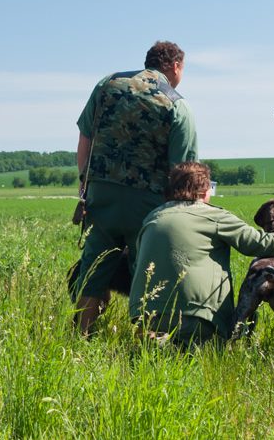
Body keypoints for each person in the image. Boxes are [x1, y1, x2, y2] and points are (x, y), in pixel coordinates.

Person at [73, 41, 198, 335]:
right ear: (176, 66)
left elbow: (84, 137)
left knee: (93, 267)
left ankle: (81, 335)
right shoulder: (177, 103)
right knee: (147, 271)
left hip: (100, 193)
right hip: (148, 202)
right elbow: (184, 171)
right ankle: (142, 343)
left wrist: (84, 185)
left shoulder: (108, 84)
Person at [128, 162, 274, 349]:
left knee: (165, 346)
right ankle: (180, 344)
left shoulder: (152, 217)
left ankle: (158, 341)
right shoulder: (214, 216)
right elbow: (254, 243)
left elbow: (136, 265)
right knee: (202, 347)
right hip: (197, 315)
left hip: (144, 315)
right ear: (203, 190)